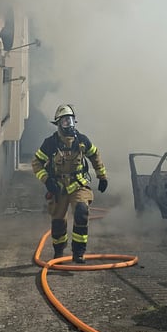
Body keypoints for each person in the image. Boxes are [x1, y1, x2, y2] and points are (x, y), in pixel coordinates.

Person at [32, 104, 108, 264]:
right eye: (65, 121)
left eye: (71, 121)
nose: (69, 125)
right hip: (58, 187)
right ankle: (59, 252)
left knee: (81, 212)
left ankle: (78, 252)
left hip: (78, 184)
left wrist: (102, 176)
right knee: (58, 221)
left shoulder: (82, 141)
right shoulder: (51, 143)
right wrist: (47, 180)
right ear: (59, 124)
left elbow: (95, 155)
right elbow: (37, 162)